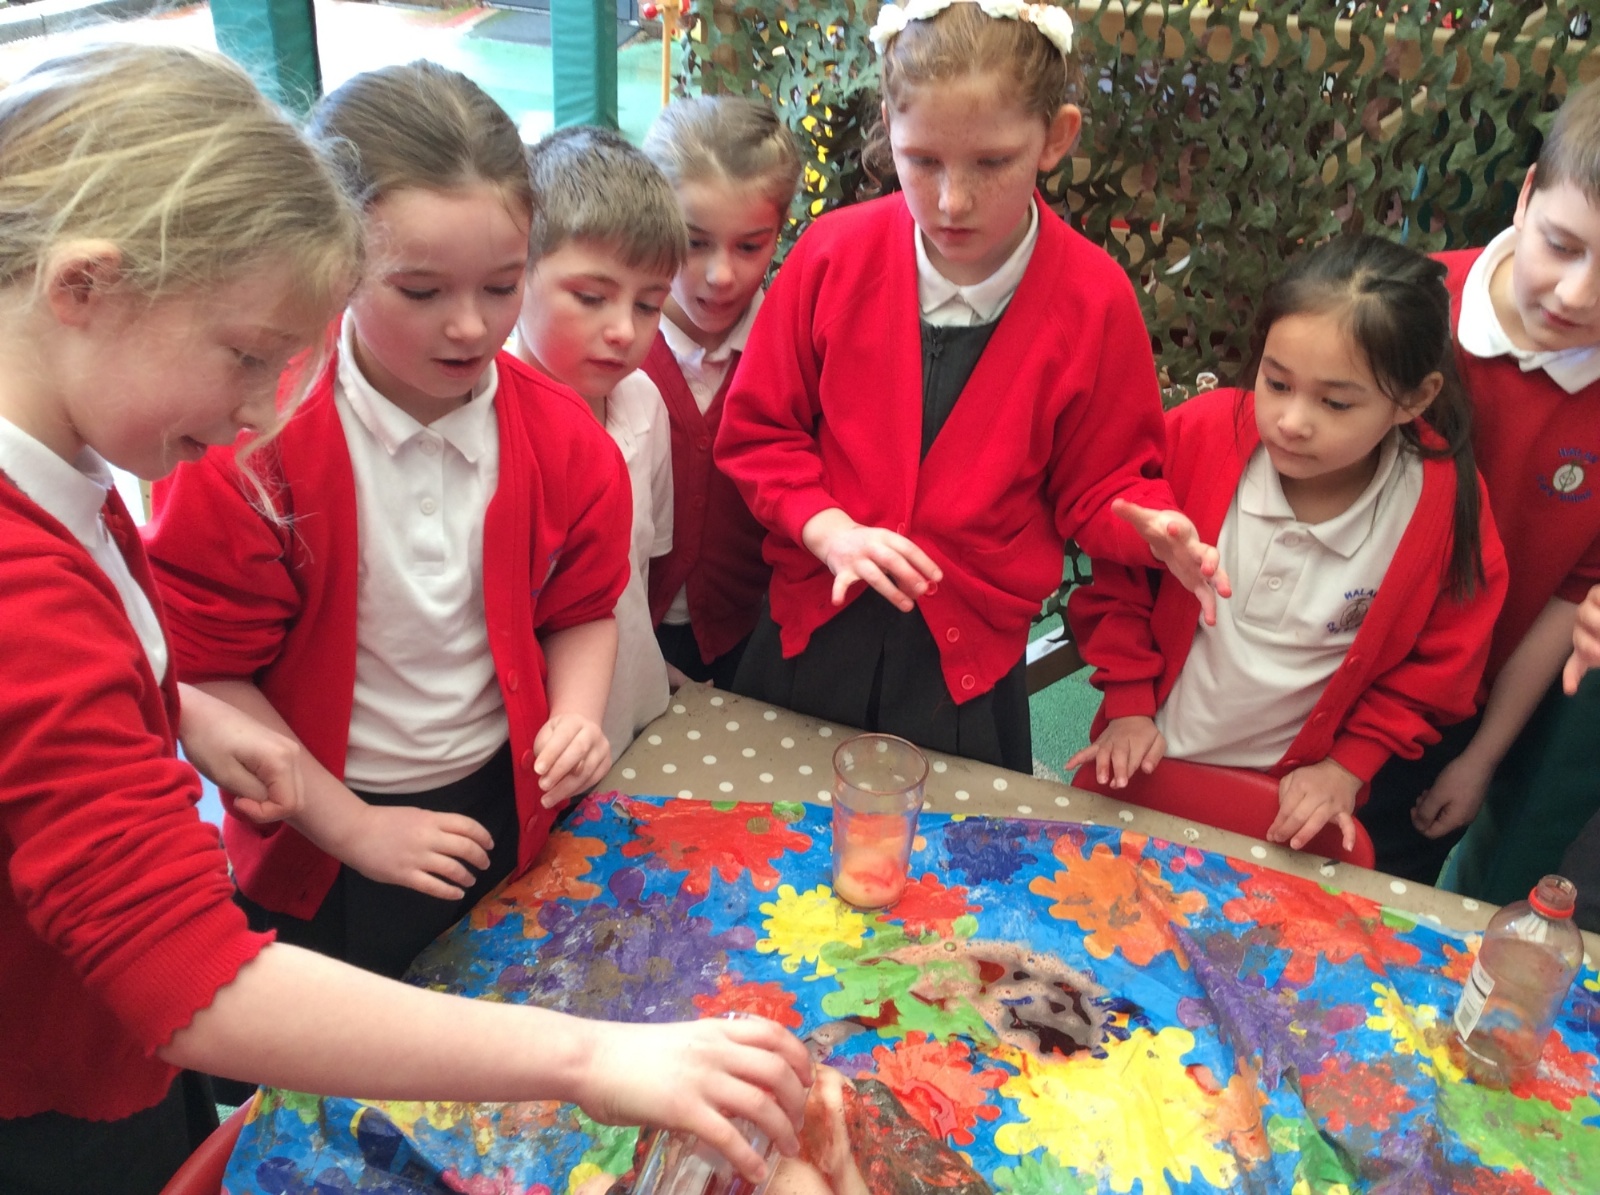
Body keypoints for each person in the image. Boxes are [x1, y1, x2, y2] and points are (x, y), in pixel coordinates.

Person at [0, 45, 810, 1195]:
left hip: (102, 1037)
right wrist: (588, 1056)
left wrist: (187, 712)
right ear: (83, 288)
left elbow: (108, 704)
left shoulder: (68, 485)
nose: (260, 410)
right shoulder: (42, 571)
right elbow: (183, 970)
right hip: (49, 1071)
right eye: (249, 357)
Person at [145, 61, 629, 982]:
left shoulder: (565, 439)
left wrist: (574, 714)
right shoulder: (247, 446)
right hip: (320, 832)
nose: (470, 327)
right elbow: (205, 675)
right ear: (335, 266)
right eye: (421, 291)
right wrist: (353, 826)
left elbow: (581, 607)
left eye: (501, 286)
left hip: (504, 800)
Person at [713, 0, 1226, 772]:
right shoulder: (832, 256)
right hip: (808, 635)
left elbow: (1104, 481)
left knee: (952, 847)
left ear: (1056, 138)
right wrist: (827, 527)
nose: (953, 201)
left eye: (991, 163)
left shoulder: (1094, 301)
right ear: (888, 126)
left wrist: (1148, 523)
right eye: (922, 160)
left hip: (966, 673)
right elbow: (760, 431)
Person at [1067, 236, 1508, 853]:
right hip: (1142, 760)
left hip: (1287, 811)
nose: (1292, 422)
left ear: (1415, 398)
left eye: (1335, 402)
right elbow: (1120, 578)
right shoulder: (1200, 435)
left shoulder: (1440, 501)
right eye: (1276, 384)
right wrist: (1130, 705)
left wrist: (1347, 766)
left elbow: (1442, 665)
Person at [1357, 79, 1600, 885]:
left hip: (1448, 718)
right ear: (1526, 196)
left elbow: (1570, 598)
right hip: (1319, 673)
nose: (1578, 294)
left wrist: (1484, 757)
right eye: (1561, 245)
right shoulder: (1404, 311)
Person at [511, 125, 683, 761]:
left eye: (648, 305)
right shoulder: (486, 418)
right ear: (516, 272)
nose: (623, 331)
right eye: (591, 297)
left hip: (633, 717)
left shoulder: (644, 403)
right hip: (531, 749)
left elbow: (644, 570)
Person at [639, 96, 803, 689]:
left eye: (749, 246)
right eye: (695, 242)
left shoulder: (795, 348)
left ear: (779, 231)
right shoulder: (611, 353)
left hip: (753, 643)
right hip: (621, 640)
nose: (721, 275)